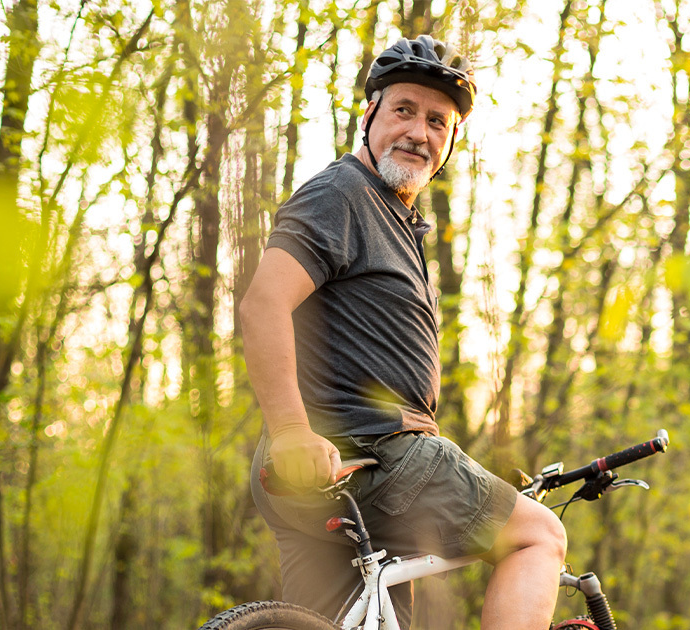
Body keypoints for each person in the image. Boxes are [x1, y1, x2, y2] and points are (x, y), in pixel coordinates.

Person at [239, 35, 567, 630]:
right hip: (374, 450)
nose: (419, 132)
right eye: (404, 111)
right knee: (538, 537)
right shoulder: (341, 195)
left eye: (437, 121)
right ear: (369, 115)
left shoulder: (394, 215)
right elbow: (263, 306)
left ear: (451, 141)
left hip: (330, 471)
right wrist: (290, 430)